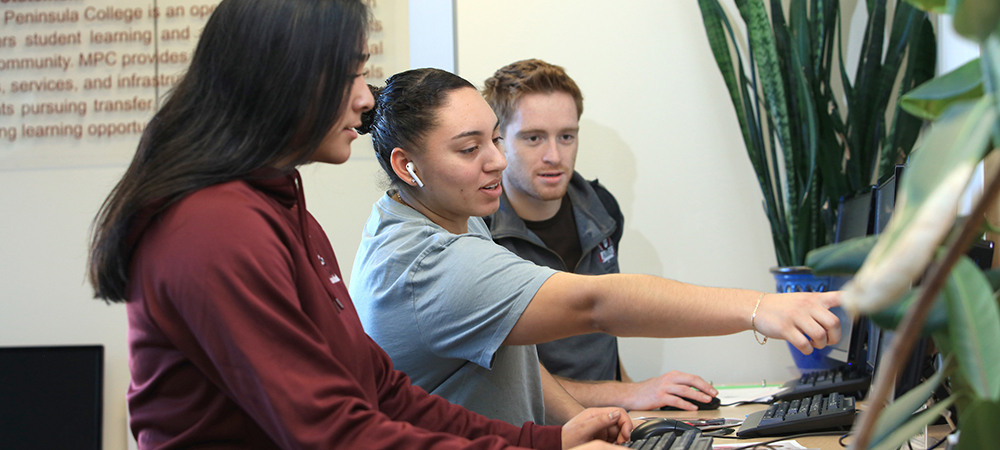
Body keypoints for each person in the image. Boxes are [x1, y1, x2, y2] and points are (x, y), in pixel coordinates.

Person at [86, 1, 631, 449]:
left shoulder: (279, 208)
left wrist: (541, 442)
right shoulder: (212, 229)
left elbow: (380, 391)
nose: (365, 98)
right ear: (287, 79)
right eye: (351, 75)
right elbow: (330, 432)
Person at [350, 68, 842, 427]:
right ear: (405, 165)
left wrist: (578, 424)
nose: (497, 161)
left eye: (495, 140)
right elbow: (597, 305)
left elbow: (504, 356)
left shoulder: (443, 214)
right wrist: (759, 308)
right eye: (469, 148)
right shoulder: (429, 263)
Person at [480, 58, 719, 412]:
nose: (554, 156)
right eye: (533, 138)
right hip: (527, 427)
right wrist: (628, 395)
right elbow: (501, 381)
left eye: (566, 136)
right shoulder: (477, 231)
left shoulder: (602, 209)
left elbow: (602, 334)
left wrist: (640, 399)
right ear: (498, 142)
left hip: (610, 417)